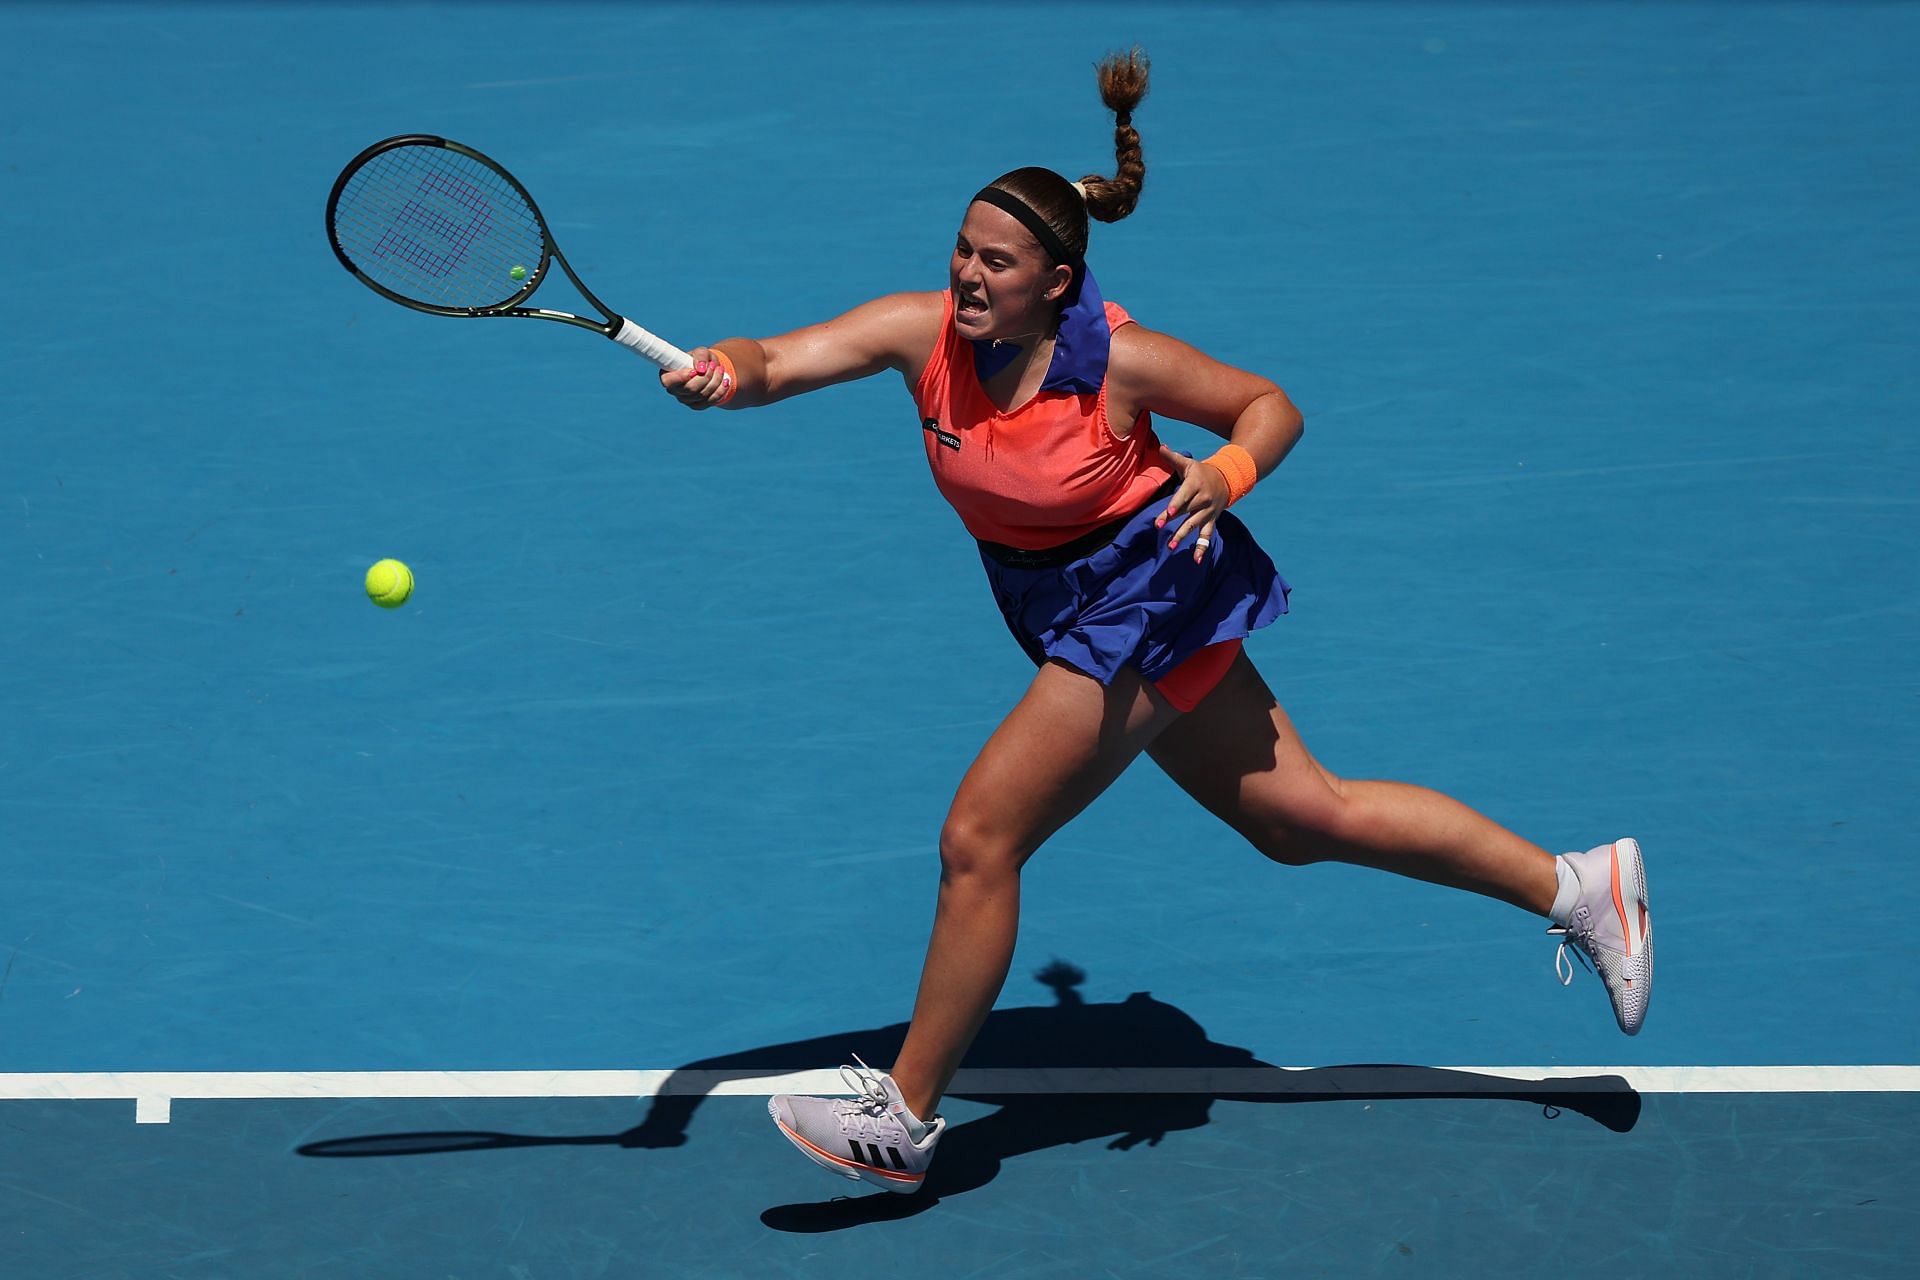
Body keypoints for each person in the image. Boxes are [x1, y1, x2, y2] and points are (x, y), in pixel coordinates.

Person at [659, 49, 1652, 1196]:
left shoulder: (1118, 363)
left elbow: (1266, 403)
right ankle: (1582, 886)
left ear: (1058, 284)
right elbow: (780, 357)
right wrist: (721, 372)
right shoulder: (919, 333)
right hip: (1069, 598)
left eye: (998, 260)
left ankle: (906, 1114)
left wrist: (1227, 472)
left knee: (980, 837)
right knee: (1300, 817)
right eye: (962, 250)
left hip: (1143, 592)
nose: (968, 275)